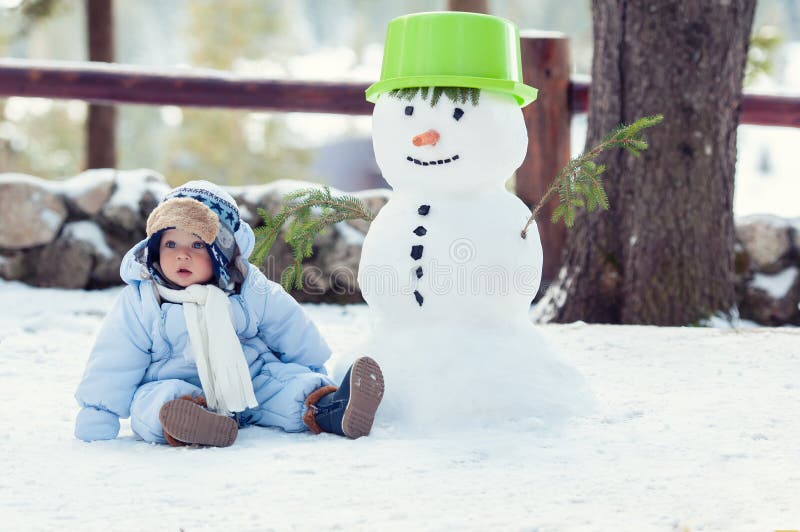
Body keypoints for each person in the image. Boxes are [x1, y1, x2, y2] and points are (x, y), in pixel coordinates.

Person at [74, 180, 384, 447]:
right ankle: (191, 422)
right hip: (173, 381)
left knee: (288, 386)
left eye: (197, 244)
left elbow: (287, 321)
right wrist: (98, 411)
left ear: (222, 250)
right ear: (154, 248)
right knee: (153, 402)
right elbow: (115, 356)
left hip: (248, 381)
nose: (182, 254)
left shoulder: (245, 286)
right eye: (171, 243)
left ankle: (332, 408)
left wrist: (310, 366)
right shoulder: (144, 299)